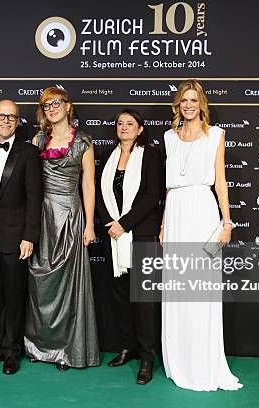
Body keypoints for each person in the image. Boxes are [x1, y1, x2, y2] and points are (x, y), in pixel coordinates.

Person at [160, 79, 242, 391]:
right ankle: (180, 359)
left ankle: (202, 362)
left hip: (202, 210)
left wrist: (227, 222)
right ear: (178, 105)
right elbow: (169, 186)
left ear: (201, 103)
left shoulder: (216, 135)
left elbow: (220, 181)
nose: (189, 105)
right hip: (178, 211)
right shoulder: (169, 137)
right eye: (184, 100)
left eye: (194, 100)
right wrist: (165, 223)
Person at [25, 87, 100, 370]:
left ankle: (69, 351)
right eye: (46, 104)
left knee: (70, 286)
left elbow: (88, 185)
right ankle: (41, 347)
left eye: (56, 102)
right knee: (41, 284)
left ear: (68, 106)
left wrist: (89, 224)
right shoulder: (37, 139)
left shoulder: (83, 142)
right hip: (42, 217)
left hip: (70, 215)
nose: (52, 107)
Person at [0, 100, 42, 375]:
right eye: (1, 116)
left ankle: (12, 350)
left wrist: (30, 235)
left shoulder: (29, 152)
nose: (5, 121)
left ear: (17, 121)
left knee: (14, 296)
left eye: (11, 117)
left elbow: (35, 198)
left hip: (16, 237)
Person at [96, 109, 163, 385]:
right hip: (113, 237)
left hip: (141, 235)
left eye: (130, 123)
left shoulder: (150, 155)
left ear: (140, 129)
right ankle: (127, 347)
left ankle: (147, 356)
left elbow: (152, 196)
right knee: (120, 296)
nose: (124, 127)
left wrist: (124, 223)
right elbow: (99, 193)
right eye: (120, 123)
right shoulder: (108, 159)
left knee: (143, 301)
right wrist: (110, 223)